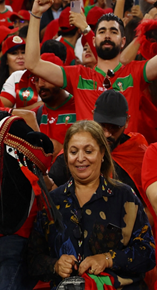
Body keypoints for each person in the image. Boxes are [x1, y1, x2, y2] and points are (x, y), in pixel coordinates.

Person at [27, 121, 155, 289]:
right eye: (73, 152)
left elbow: (147, 253)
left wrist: (108, 259)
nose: (80, 158)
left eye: (88, 151)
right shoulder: (52, 202)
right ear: (66, 157)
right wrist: (55, 265)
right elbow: (32, 259)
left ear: (102, 153)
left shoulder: (124, 196)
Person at [26, 0, 157, 138]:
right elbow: (33, 64)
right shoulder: (78, 75)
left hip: (126, 152)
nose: (107, 35)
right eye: (102, 31)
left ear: (123, 42)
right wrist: (36, 14)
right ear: (93, 40)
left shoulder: (136, 72)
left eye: (114, 32)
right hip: (89, 152)